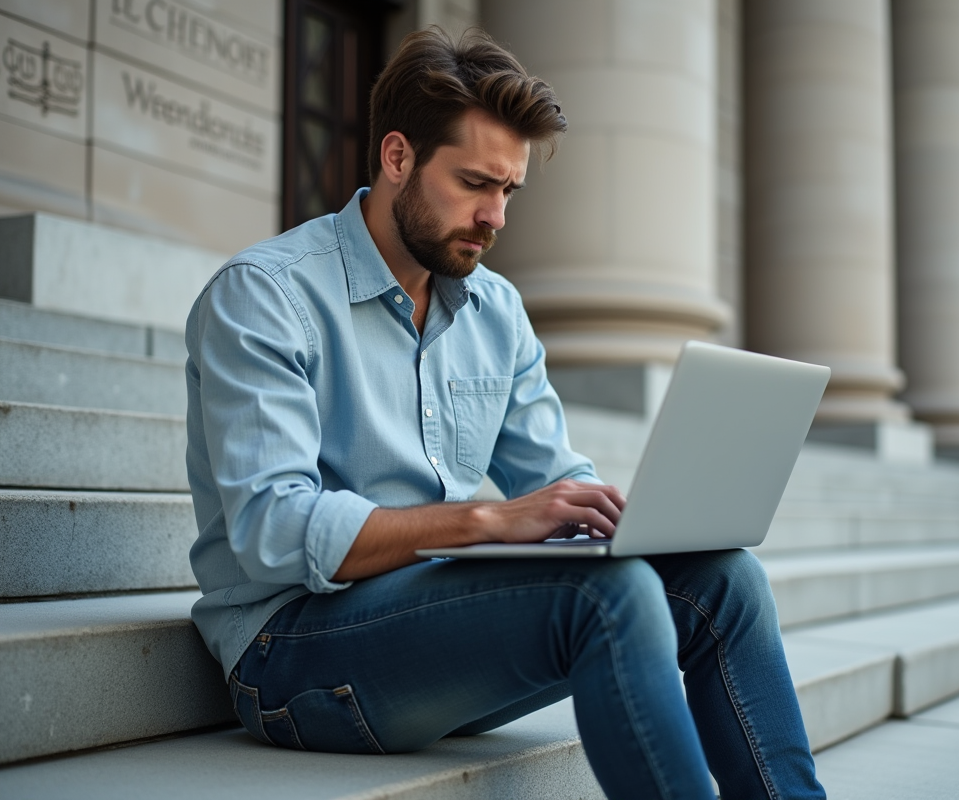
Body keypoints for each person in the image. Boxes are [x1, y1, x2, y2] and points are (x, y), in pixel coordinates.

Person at [185, 26, 825, 800]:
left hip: (435, 626)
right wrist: (489, 522)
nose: (496, 216)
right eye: (475, 184)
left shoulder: (497, 310)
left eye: (509, 190)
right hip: (293, 654)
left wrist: (633, 521)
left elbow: (556, 476)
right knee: (606, 597)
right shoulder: (266, 294)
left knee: (722, 578)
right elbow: (274, 532)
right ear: (397, 158)